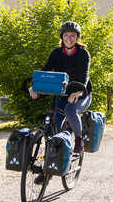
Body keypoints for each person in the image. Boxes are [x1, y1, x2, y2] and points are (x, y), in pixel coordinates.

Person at [29, 21, 91, 157]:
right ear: (62, 37)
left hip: (82, 93)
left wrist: (78, 91)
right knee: (55, 123)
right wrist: (34, 86)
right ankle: (50, 167)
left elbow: (84, 77)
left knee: (70, 110)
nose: (69, 38)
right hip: (62, 93)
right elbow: (44, 72)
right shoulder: (56, 53)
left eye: (72, 35)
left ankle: (79, 142)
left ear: (77, 37)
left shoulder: (83, 54)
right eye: (66, 35)